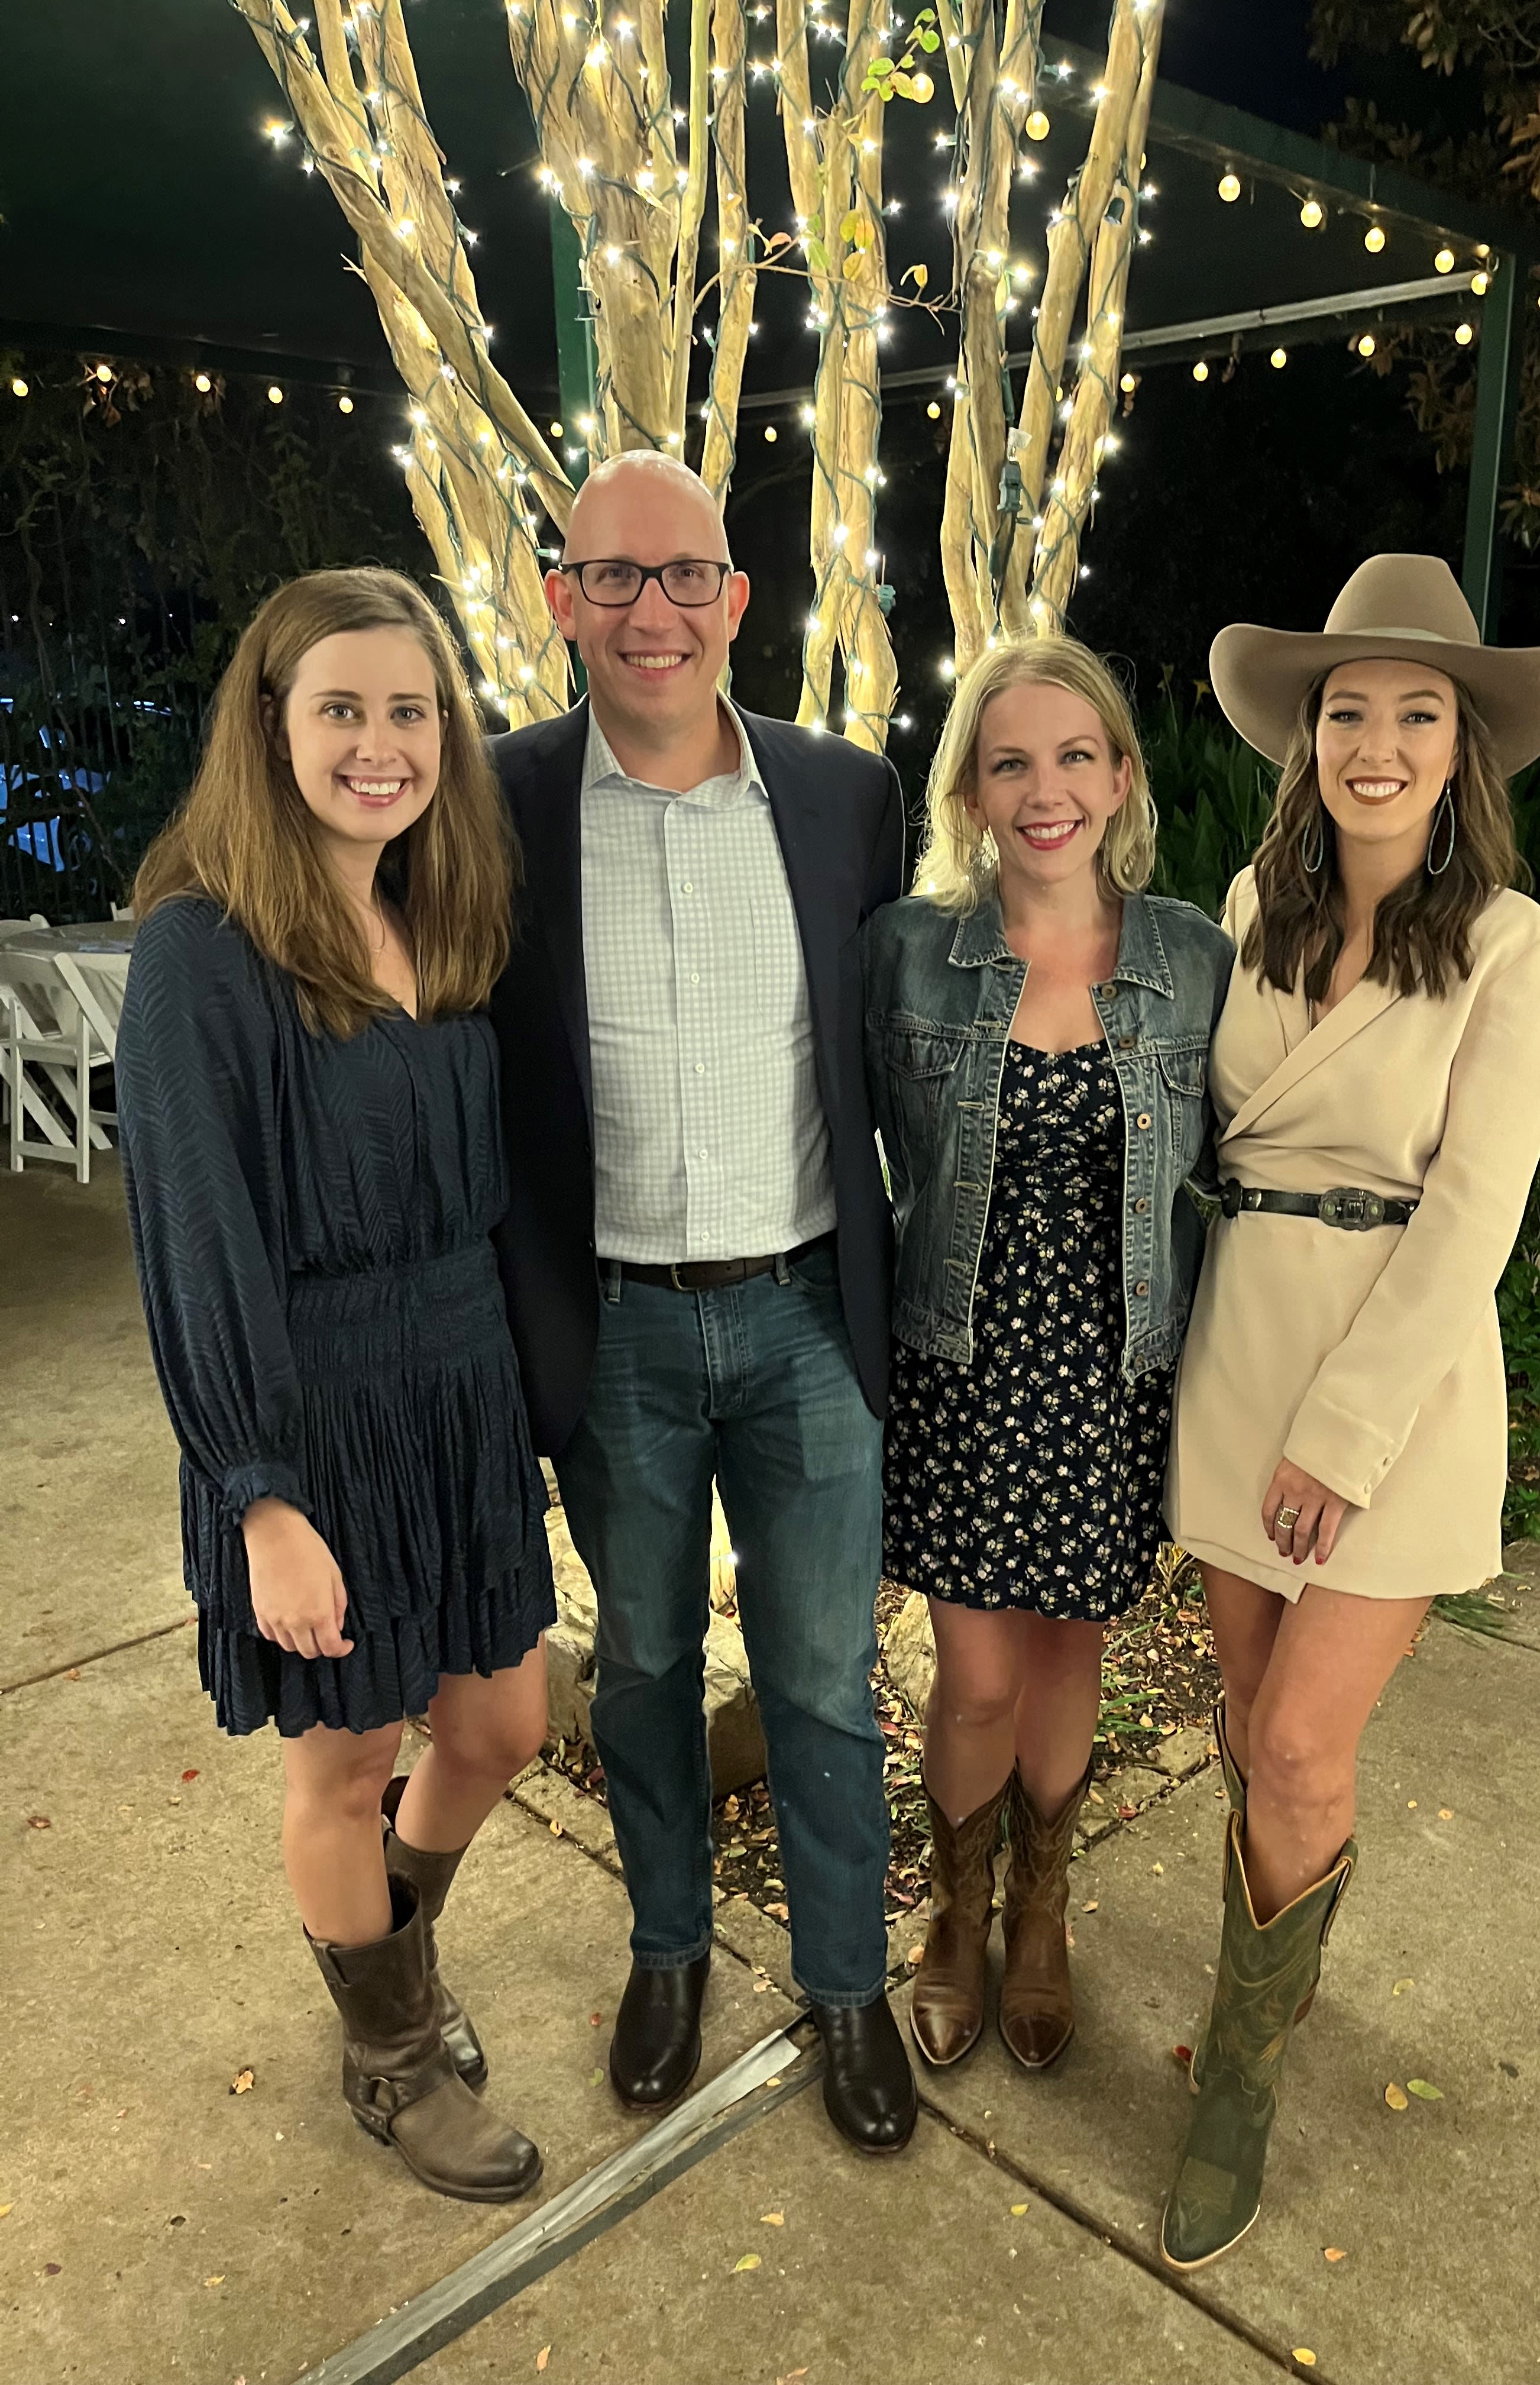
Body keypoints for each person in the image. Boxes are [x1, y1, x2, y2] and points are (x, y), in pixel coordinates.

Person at [1156, 554, 1540, 2267]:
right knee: (1253, 1729)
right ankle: (1280, 1978)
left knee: (1305, 1741)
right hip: (1238, 1337)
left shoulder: (1517, 952)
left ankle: (1237, 2084)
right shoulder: (1250, 919)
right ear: (1308, 737)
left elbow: (1474, 1220)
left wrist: (1342, 1440)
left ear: (1464, 745)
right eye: (1350, 711)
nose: (1380, 742)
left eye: (1418, 712)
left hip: (1394, 1382)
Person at [484, 453, 916, 2154]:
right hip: (620, 1328)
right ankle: (667, 1950)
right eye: (613, 577)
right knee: (649, 1663)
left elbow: (900, 1041)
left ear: (739, 600)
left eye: (684, 578)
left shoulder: (841, 796)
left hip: (809, 1309)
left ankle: (847, 1981)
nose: (650, 611)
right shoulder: (500, 799)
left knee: (822, 1679)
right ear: (560, 597)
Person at [116, 568, 558, 2204]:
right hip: (314, 1418)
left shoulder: (438, 916)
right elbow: (191, 1245)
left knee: (504, 1719)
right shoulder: (200, 955)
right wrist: (261, 1496)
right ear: (270, 726)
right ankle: (389, 2055)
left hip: (458, 1400)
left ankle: (392, 1950)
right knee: (345, 1761)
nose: (383, 745)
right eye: (343, 710)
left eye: (411, 711)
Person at [866, 639, 1233, 2074]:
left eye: (1076, 756)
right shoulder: (903, 951)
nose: (1046, 789)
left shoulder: (1192, 958)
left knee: (1072, 1660)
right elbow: (843, 1152)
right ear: (967, 789)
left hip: (1111, 1380)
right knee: (973, 1679)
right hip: (959, 1375)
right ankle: (952, 1914)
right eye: (1010, 760)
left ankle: (1040, 1917)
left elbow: (1256, 1166)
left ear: (1121, 777)